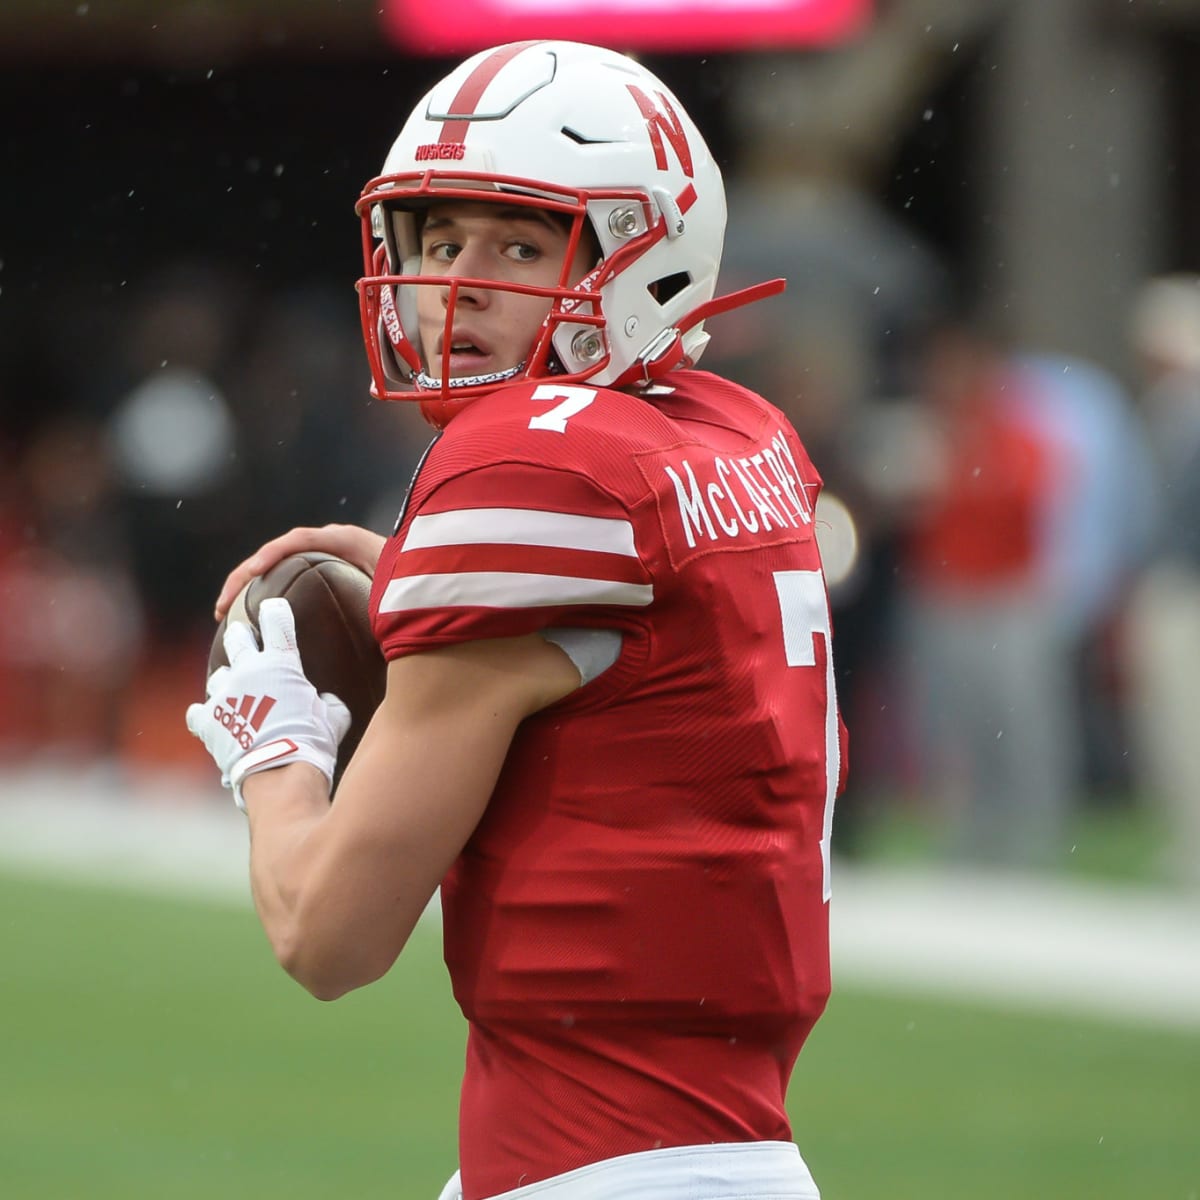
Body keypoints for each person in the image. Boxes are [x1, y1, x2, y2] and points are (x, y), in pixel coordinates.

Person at [186, 40, 846, 1200]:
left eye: (521, 242)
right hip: (722, 1153)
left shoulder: (526, 471)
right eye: (439, 242)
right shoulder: (737, 431)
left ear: (649, 253)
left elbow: (328, 938)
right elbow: (644, 670)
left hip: (597, 1168)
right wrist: (425, 581)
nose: (459, 283)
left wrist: (272, 745)